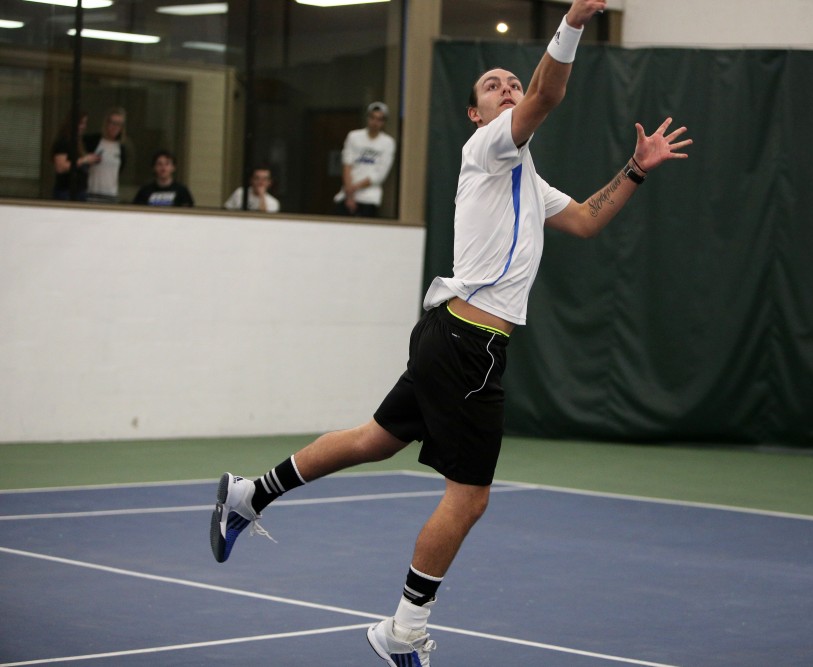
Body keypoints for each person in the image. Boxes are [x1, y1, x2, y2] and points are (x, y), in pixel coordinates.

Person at [209, 2, 691, 665]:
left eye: (511, 82)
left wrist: (634, 170)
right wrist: (573, 21)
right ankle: (403, 629)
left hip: (451, 335)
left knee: (372, 440)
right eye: (493, 85)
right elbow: (549, 90)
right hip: (469, 344)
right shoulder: (489, 146)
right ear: (475, 113)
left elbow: (583, 220)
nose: (509, 87)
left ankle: (249, 492)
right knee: (470, 497)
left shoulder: (527, 176)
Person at [333, 101, 396, 218]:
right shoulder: (353, 136)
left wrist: (354, 188)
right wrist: (350, 195)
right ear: (368, 118)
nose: (375, 122)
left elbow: (380, 175)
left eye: (379, 119)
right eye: (372, 117)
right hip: (345, 196)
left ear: (383, 122)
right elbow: (347, 164)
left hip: (369, 198)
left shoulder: (388, 143)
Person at [51, 111, 99, 201]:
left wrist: (89, 160)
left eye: (85, 123)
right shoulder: (63, 142)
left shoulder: (78, 143)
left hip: (80, 191)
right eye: (81, 123)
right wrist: (84, 160)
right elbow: (60, 167)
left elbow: (78, 162)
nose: (83, 127)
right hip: (66, 191)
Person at [84, 107, 128, 204]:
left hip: (111, 196)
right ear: (107, 123)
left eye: (119, 124)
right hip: (92, 195)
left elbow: (120, 169)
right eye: (113, 123)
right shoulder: (93, 141)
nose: (115, 127)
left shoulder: (121, 148)